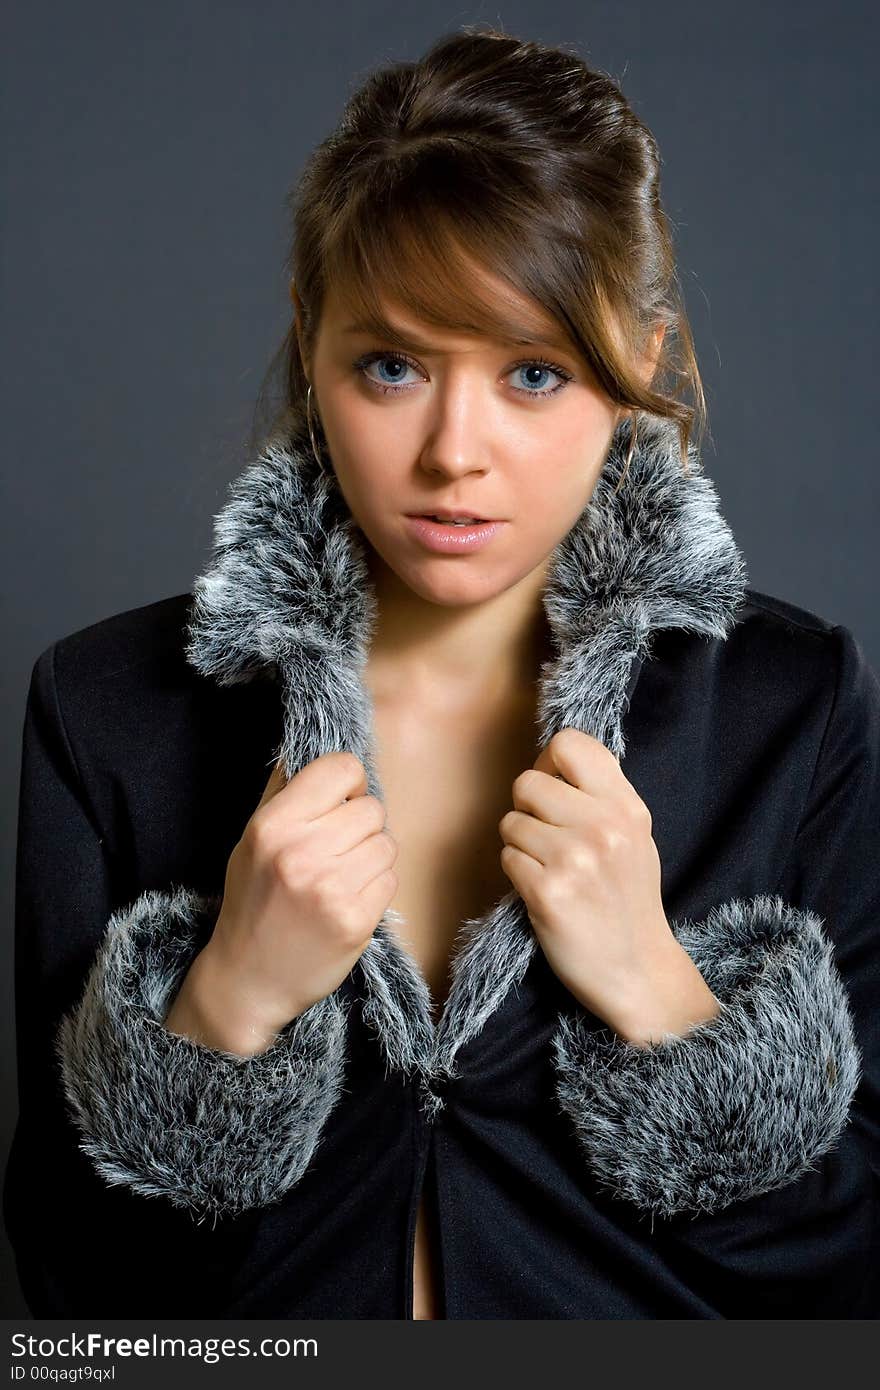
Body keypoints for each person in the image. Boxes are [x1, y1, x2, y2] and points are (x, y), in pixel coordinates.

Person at [5, 25, 879, 1320]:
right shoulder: (109, 708)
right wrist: (228, 1000)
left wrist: (654, 982)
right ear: (312, 344)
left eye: (534, 372)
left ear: (636, 363)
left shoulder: (786, 703)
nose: (453, 450)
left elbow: (850, 1265)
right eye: (394, 366)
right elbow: (78, 1286)